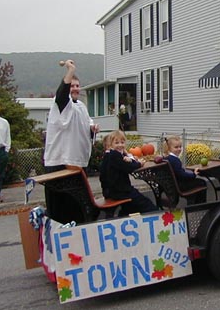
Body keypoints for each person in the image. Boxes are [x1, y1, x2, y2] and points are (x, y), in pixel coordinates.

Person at [43, 59, 100, 220]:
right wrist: (70, 71)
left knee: (79, 209)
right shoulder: (60, 104)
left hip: (77, 164)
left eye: (77, 86)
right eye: (72, 86)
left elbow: (86, 124)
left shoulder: (81, 106)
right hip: (60, 163)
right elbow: (62, 93)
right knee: (62, 211)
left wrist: (92, 129)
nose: (74, 88)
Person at [99, 130, 156, 216]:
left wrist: (129, 158)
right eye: (117, 143)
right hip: (119, 191)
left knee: (131, 205)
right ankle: (155, 215)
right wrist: (139, 163)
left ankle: (123, 215)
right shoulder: (115, 155)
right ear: (111, 144)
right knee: (144, 202)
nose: (120, 145)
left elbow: (125, 165)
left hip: (110, 191)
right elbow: (129, 168)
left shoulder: (109, 155)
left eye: (122, 142)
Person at [163, 135, 207, 205]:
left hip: (173, 185)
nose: (179, 149)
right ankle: (200, 205)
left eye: (180, 147)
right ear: (169, 148)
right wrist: (193, 174)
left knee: (198, 182)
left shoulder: (166, 159)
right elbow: (182, 175)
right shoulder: (175, 160)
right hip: (181, 186)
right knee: (202, 182)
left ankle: (196, 203)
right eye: (176, 147)